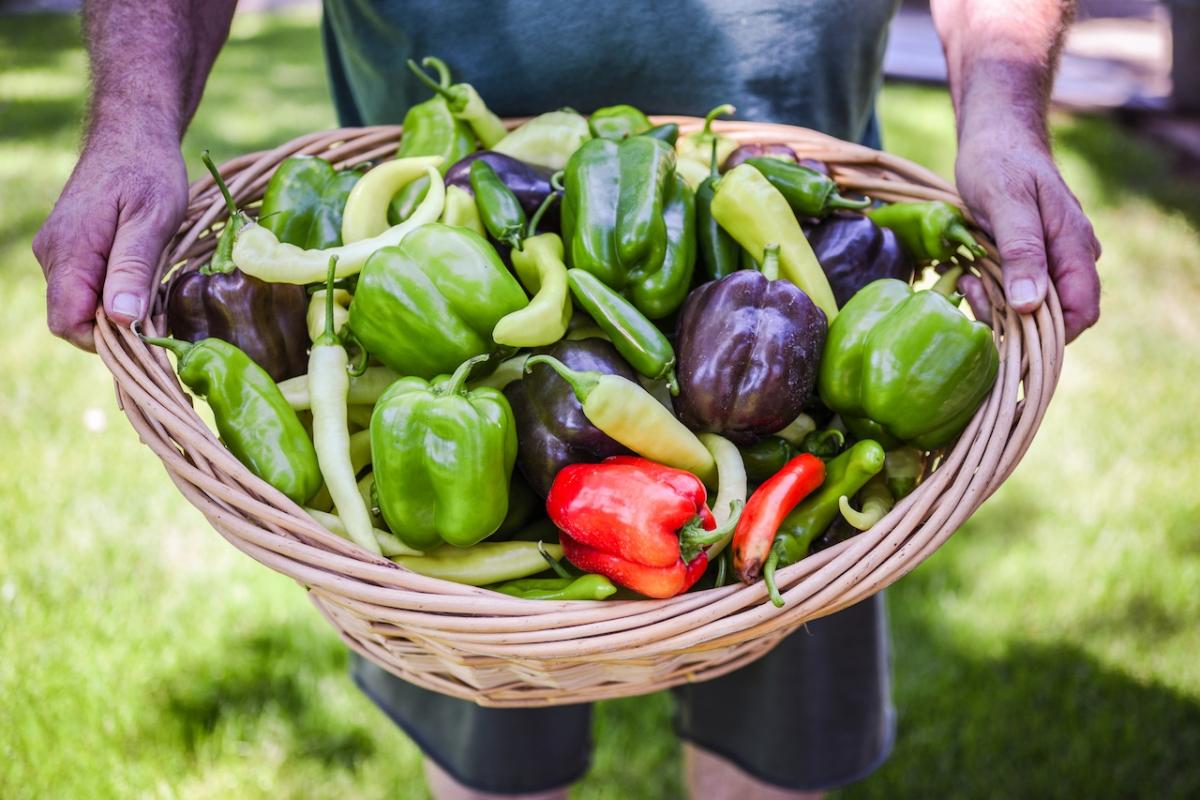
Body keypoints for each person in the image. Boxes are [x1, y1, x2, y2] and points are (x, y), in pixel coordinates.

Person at [33, 1, 1101, 798]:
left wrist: (1006, 112)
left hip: (807, 227)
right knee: (488, 757)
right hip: (450, 199)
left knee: (778, 745)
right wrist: (132, 119)